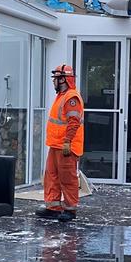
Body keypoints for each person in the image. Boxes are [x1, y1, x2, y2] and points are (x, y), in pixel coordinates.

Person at [36, 64, 84, 222]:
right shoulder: (62, 96)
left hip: (66, 146)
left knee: (67, 178)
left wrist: (67, 141)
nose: (54, 82)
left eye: (56, 79)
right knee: (51, 177)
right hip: (56, 145)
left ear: (63, 79)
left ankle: (70, 210)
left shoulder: (71, 98)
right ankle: (53, 208)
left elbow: (73, 122)